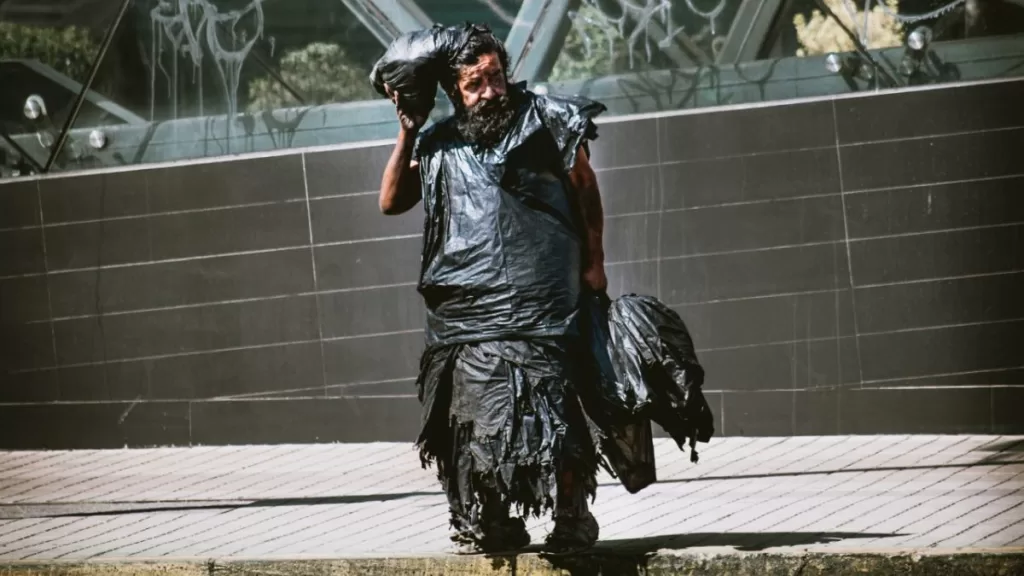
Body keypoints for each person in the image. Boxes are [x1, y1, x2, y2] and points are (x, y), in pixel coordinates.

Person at [377, 24, 609, 554]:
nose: (490, 91)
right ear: (455, 89)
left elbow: (585, 189)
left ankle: (572, 518)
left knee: (552, 409)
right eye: (476, 83)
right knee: (471, 419)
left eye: (496, 78)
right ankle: (492, 520)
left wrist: (594, 262)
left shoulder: (547, 120)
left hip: (541, 301)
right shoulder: (438, 143)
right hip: (466, 308)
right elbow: (390, 201)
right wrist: (408, 132)